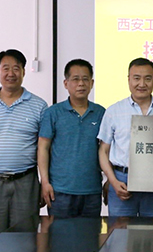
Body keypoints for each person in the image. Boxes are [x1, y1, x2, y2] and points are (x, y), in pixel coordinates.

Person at [0, 49, 47, 233]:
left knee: (25, 240)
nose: (11, 73)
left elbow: (44, 148)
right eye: (6, 68)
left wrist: (44, 183)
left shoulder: (39, 105)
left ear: (24, 72)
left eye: (16, 68)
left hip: (26, 182)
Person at [97, 57, 153, 217]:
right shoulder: (114, 111)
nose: (142, 84)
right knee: (120, 231)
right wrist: (113, 181)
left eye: (148, 78)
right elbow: (103, 151)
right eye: (137, 78)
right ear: (128, 79)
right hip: (122, 180)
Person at [38, 59, 105, 218]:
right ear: (65, 83)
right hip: (60, 191)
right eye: (75, 79)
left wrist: (110, 179)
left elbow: (107, 150)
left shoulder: (101, 113)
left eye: (85, 79)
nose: (81, 84)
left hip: (91, 190)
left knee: (90, 233)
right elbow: (43, 148)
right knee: (60, 233)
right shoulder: (53, 113)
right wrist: (45, 182)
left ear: (92, 83)